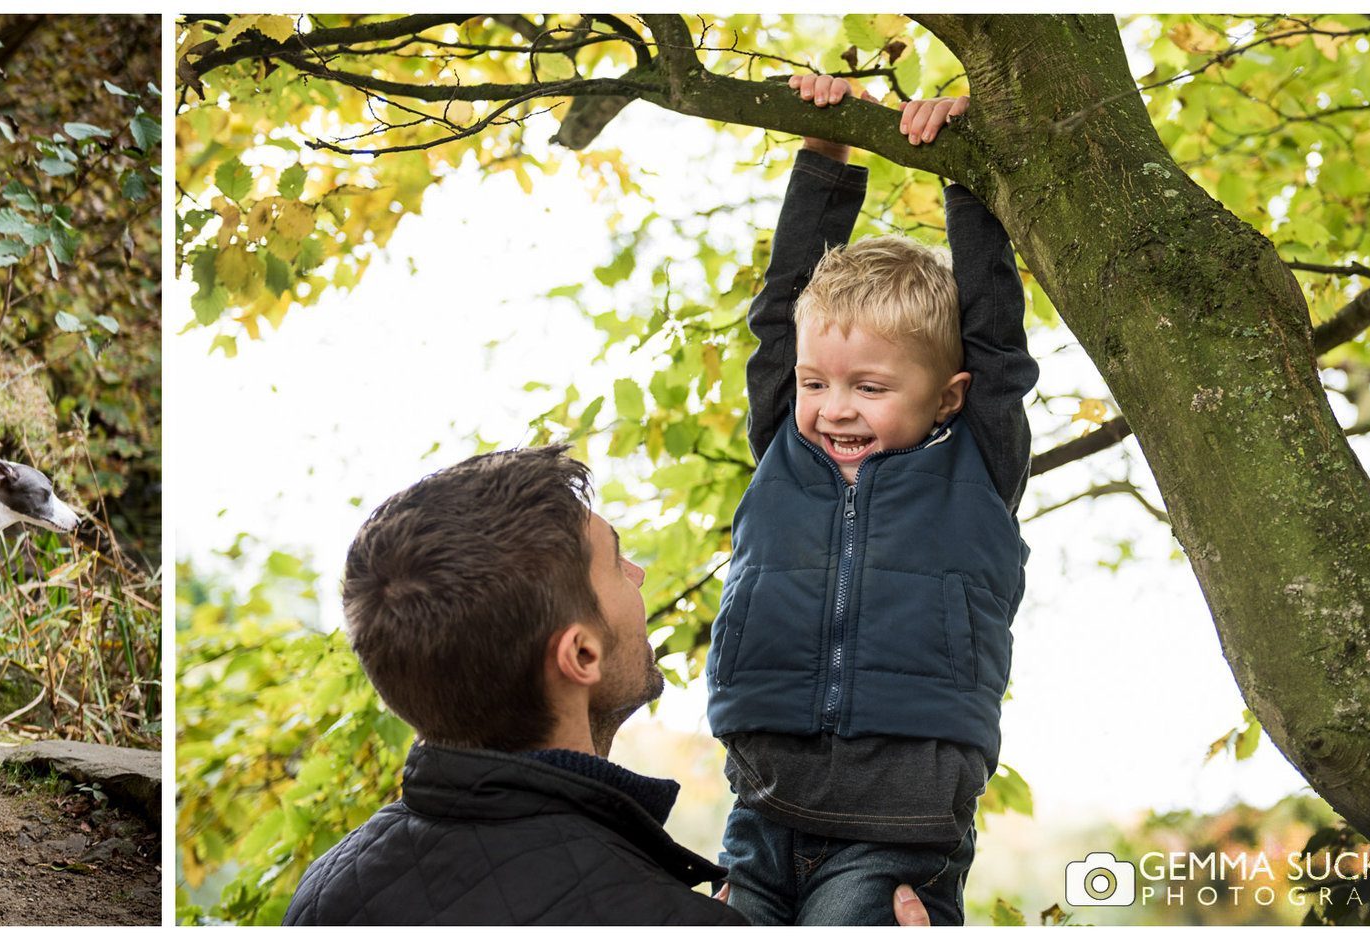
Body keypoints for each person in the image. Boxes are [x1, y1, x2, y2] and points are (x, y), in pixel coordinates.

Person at [702, 74, 1038, 926]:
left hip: (899, 831)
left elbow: (996, 332)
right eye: (817, 381)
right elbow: (782, 314)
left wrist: (969, 168)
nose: (834, 406)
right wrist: (824, 151)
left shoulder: (976, 463)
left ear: (950, 396)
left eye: (870, 386)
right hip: (761, 810)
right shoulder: (787, 440)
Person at [283, 445, 744, 925]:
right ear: (580, 656)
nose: (638, 573)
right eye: (616, 561)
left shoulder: (325, 894)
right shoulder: (661, 919)